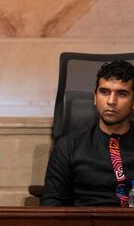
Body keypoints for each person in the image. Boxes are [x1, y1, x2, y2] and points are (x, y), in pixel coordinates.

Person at [41, 60, 134, 206]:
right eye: (104, 92)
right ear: (95, 97)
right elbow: (52, 203)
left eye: (121, 94)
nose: (111, 101)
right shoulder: (68, 147)